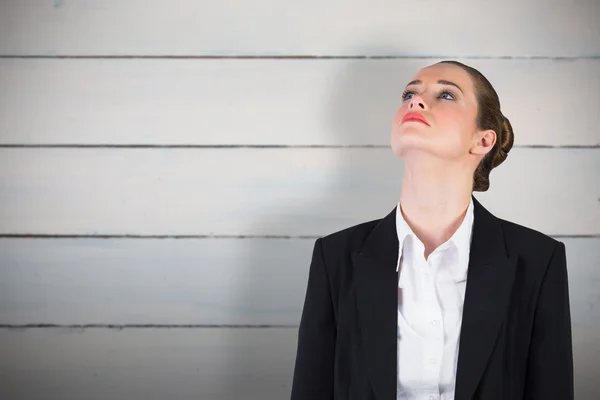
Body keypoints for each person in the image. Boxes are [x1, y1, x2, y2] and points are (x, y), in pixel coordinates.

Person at [290, 61, 574, 400]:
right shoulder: (334, 257)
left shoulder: (538, 260)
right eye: (409, 93)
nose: (416, 101)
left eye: (446, 95)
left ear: (482, 140)